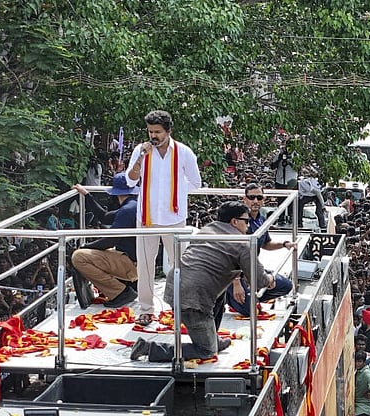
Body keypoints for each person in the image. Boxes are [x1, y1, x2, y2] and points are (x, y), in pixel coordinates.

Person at [128, 202, 272, 362]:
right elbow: (260, 281)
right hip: (193, 299)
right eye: (246, 221)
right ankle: (149, 348)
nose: (248, 225)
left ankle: (212, 337)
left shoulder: (207, 230)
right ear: (234, 222)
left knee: (221, 290)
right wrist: (271, 279)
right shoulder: (241, 244)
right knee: (207, 351)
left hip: (175, 285)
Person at [125, 110, 202, 326]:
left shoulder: (185, 153)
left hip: (174, 217)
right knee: (145, 265)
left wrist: (175, 192)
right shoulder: (141, 151)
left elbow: (196, 183)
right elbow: (131, 181)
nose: (153, 136)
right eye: (150, 131)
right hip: (146, 217)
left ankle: (183, 308)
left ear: (168, 131)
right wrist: (140, 159)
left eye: (157, 132)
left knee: (181, 265)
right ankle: (146, 310)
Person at [223, 183, 296, 320]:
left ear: (264, 199)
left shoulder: (261, 220)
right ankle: (229, 296)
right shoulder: (238, 220)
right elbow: (231, 251)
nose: (255, 201)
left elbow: (266, 243)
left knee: (286, 286)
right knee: (249, 310)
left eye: (259, 197)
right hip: (234, 274)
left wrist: (285, 244)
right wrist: (236, 282)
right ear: (245, 199)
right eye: (251, 197)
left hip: (252, 270)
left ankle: (250, 295)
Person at [70, 175, 139, 309]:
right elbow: (105, 217)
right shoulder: (133, 205)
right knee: (91, 251)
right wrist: (86, 195)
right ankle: (124, 285)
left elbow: (110, 240)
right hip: (136, 260)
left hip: (131, 263)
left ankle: (120, 292)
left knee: (79, 257)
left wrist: (85, 247)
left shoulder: (127, 211)